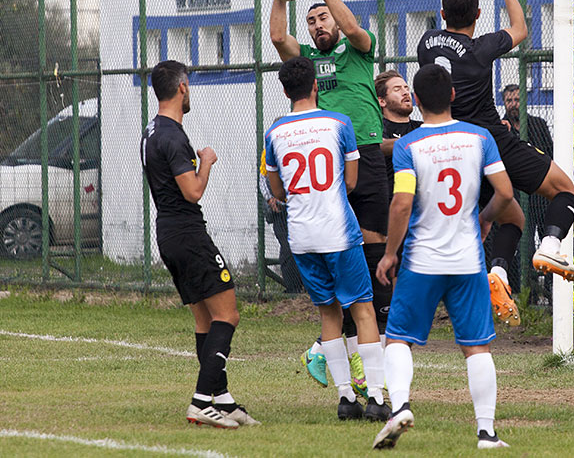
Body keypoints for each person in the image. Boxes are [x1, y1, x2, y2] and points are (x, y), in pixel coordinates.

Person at [417, 0, 574, 327]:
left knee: (513, 218)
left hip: (452, 150)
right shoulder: (481, 48)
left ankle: (499, 274)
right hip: (491, 140)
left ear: (443, 13)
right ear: (478, 14)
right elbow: (521, 29)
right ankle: (551, 247)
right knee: (565, 190)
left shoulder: (425, 42)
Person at [372, 64, 512, 450]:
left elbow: (401, 203)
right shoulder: (480, 136)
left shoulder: (407, 145)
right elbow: (504, 192)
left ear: (416, 100)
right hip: (467, 260)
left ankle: (400, 406)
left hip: (421, 261)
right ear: (453, 95)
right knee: (476, 347)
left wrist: (389, 253)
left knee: (398, 338)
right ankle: (486, 432)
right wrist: (484, 220)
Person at [270, 0, 391, 391]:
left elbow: (355, 28)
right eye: (314, 22)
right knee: (337, 246)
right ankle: (350, 349)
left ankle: (357, 340)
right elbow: (278, 36)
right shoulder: (305, 59)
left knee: (373, 246)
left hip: (366, 155)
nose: (320, 25)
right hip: (330, 163)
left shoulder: (358, 48)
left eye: (324, 19)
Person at [263, 56, 389, 421]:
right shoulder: (339, 122)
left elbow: (278, 189)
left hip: (301, 236)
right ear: (316, 86)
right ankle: (377, 398)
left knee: (328, 313)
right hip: (338, 231)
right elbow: (351, 182)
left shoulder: (275, 133)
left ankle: (346, 397)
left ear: (285, 91)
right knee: (363, 310)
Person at [139, 60, 258, 428]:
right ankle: (200, 401)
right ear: (182, 88)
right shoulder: (173, 135)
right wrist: (206, 161)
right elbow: (192, 191)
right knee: (228, 314)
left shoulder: (150, 131)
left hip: (168, 234)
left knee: (205, 320)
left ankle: (221, 400)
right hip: (189, 235)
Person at [500, 83, 553, 299]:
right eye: (509, 100)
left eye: (516, 100)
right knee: (525, 249)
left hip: (541, 196)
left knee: (549, 246)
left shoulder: (538, 125)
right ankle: (528, 295)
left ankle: (551, 293)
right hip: (517, 198)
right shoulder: (501, 127)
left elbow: (550, 155)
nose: (513, 104)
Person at [259, 148, 305, 293]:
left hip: (303, 206)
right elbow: (262, 177)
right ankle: (293, 289)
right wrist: (269, 198)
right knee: (287, 247)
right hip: (281, 208)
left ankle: (307, 287)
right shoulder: (270, 149)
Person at [377, 70, 422, 201]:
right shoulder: (378, 129)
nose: (405, 92)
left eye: (406, 88)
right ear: (382, 101)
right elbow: (380, 146)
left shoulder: (421, 127)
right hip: (391, 205)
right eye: (397, 89)